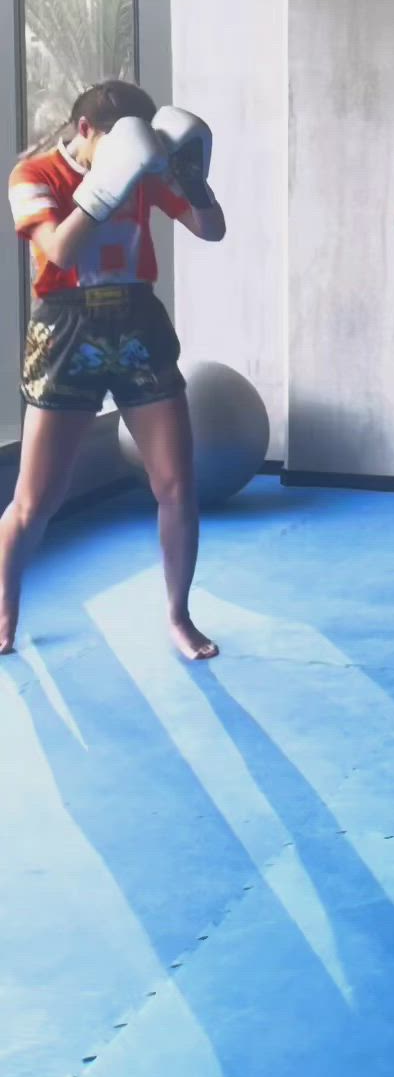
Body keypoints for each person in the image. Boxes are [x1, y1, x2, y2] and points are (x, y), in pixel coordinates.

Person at [1, 80, 225, 661]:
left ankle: (179, 615)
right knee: (36, 500)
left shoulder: (148, 171)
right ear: (86, 132)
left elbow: (212, 229)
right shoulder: (33, 176)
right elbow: (57, 252)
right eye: (126, 142)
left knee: (177, 483)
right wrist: (107, 184)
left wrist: (193, 179)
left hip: (135, 321)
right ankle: (3, 609)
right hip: (66, 329)